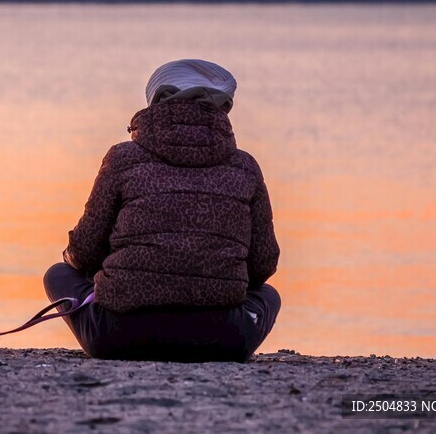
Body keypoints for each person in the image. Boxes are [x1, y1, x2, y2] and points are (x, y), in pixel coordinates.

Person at [44, 59, 281, 362]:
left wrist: (99, 268)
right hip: (223, 340)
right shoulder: (245, 166)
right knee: (269, 294)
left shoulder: (122, 158)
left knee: (58, 274)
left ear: (154, 101)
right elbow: (263, 266)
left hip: (117, 337)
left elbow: (85, 251)